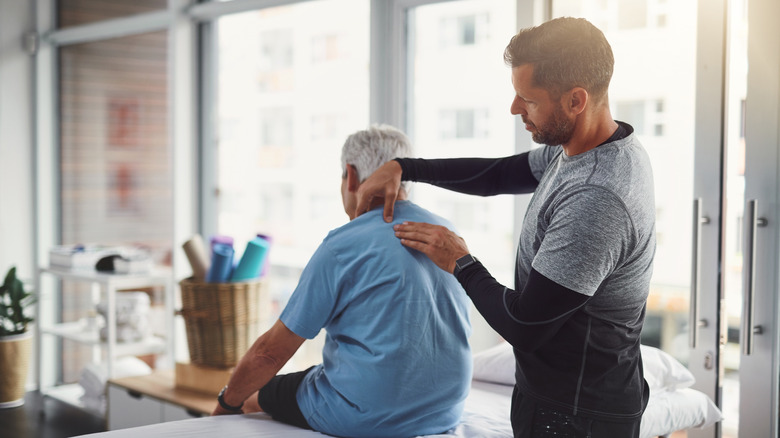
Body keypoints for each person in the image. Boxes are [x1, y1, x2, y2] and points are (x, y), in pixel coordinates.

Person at [354, 17, 655, 438]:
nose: (515, 109)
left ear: (575, 100)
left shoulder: (597, 197)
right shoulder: (581, 148)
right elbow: (498, 175)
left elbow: (525, 327)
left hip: (574, 416)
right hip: (563, 400)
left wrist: (459, 261)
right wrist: (406, 167)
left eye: (527, 100)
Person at [211, 124, 473, 438]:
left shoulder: (343, 245)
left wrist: (224, 404)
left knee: (255, 395)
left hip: (363, 416)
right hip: (443, 413)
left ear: (350, 175)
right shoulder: (447, 233)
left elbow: (269, 353)